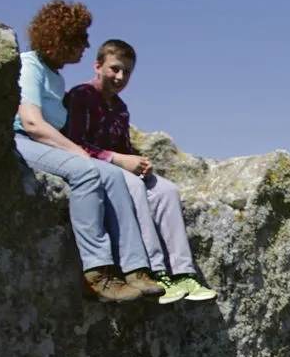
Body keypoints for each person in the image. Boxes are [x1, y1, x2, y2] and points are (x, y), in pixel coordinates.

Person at [12, 0, 164, 303]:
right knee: (88, 170)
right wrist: (77, 152)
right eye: (80, 39)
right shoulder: (29, 65)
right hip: (22, 141)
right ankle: (97, 272)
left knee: (112, 175)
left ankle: (135, 268)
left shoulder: (55, 76)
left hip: (44, 145)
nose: (85, 47)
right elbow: (31, 122)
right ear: (60, 37)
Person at [62, 39, 216, 305]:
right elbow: (74, 143)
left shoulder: (120, 108)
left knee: (167, 190)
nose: (120, 77)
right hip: (95, 169)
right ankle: (155, 271)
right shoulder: (81, 96)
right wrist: (118, 159)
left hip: (119, 165)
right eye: (114, 69)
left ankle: (182, 274)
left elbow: (123, 146)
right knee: (132, 186)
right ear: (97, 66)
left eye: (127, 72)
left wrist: (139, 162)